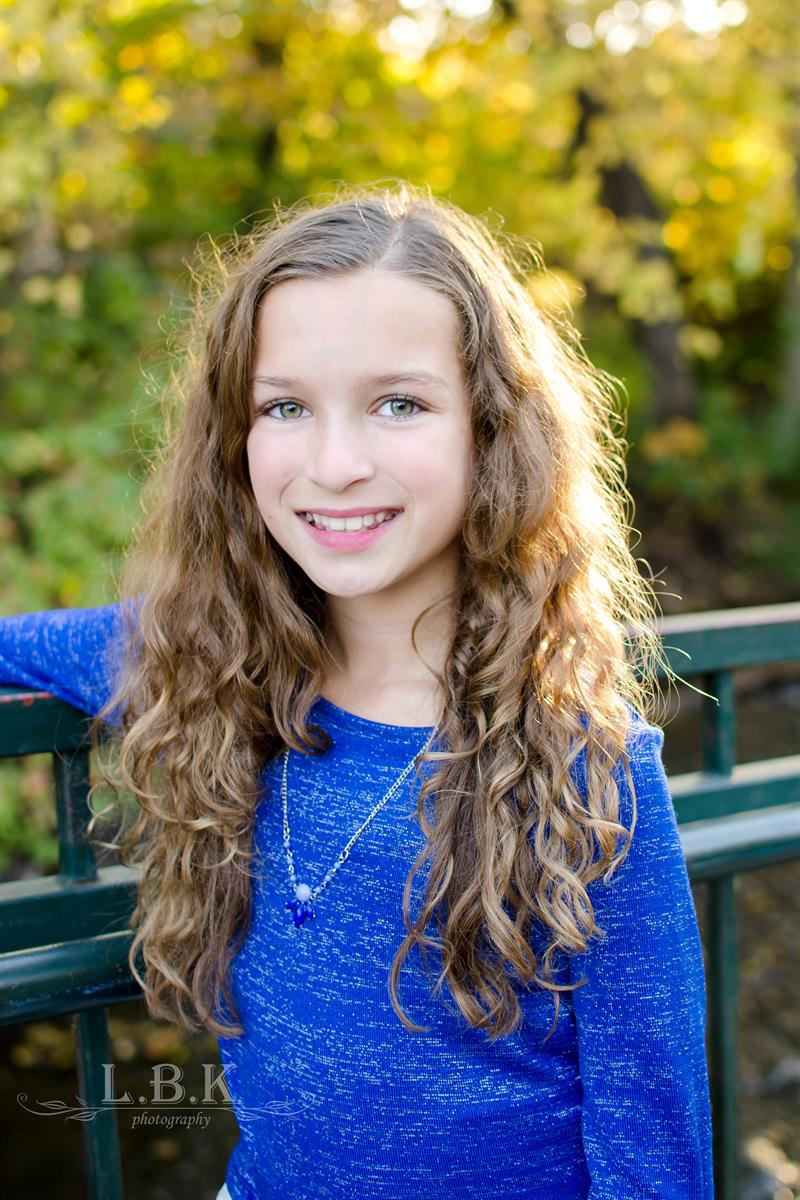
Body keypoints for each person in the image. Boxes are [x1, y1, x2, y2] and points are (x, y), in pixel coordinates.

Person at [0, 181, 714, 1199]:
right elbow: (21, 647)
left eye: (398, 404)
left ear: (491, 431)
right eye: (285, 407)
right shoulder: (206, 662)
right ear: (234, 441)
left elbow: (655, 1158)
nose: (334, 465)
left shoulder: (588, 770)